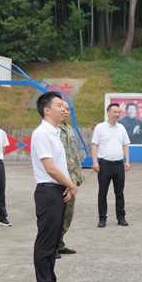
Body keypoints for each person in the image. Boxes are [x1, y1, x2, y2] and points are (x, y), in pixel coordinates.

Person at [30, 91, 77, 282]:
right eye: (59, 105)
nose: (63, 108)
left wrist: (67, 185)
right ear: (47, 110)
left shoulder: (55, 133)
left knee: (54, 241)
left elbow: (60, 166)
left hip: (57, 191)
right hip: (48, 192)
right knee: (45, 242)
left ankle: (51, 281)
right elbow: (50, 168)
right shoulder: (42, 134)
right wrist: (71, 185)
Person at [91, 103, 132, 228]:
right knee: (102, 193)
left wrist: (127, 161)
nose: (117, 114)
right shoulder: (100, 127)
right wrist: (95, 162)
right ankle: (102, 218)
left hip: (118, 164)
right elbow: (94, 145)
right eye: (114, 112)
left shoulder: (121, 128)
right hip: (104, 164)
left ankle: (121, 217)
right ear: (108, 113)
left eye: (119, 112)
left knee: (119, 193)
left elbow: (125, 145)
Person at [57, 99, 86, 254]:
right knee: (56, 215)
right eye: (62, 108)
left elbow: (74, 155)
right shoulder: (52, 130)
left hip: (72, 179)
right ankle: (52, 246)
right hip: (58, 179)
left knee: (68, 214)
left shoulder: (69, 129)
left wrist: (78, 176)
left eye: (68, 109)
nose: (65, 111)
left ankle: (59, 244)